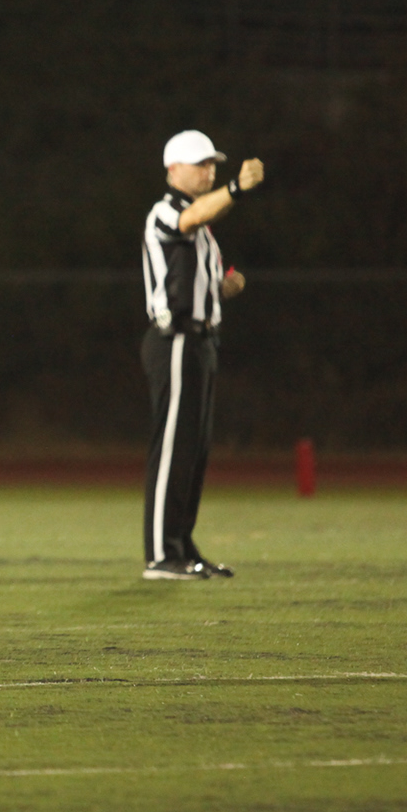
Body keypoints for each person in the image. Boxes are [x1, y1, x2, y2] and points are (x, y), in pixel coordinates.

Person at [139, 129, 264, 580]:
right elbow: (190, 219)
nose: (209, 171)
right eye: (200, 164)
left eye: (213, 164)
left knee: (194, 450)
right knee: (174, 448)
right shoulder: (167, 211)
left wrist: (221, 287)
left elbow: (193, 272)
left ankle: (182, 547)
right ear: (173, 169)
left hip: (200, 342)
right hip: (174, 340)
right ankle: (161, 554)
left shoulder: (201, 222)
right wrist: (235, 188)